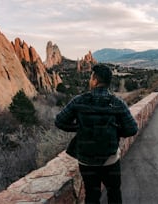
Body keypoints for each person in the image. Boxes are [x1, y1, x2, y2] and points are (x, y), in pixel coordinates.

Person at [55, 64, 138, 204]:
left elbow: (60, 122)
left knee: (92, 195)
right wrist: (115, 131)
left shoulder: (78, 101)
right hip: (110, 159)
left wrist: (79, 128)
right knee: (114, 192)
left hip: (86, 160)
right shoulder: (117, 103)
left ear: (95, 80)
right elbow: (132, 129)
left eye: (90, 77)